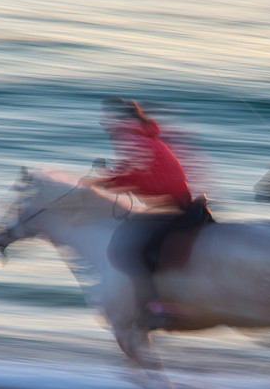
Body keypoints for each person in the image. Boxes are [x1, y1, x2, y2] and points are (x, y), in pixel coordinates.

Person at [90, 97, 210, 328]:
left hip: (174, 203)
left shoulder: (131, 137)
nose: (102, 121)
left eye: (106, 116)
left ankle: (154, 307)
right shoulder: (139, 135)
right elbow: (140, 172)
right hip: (176, 199)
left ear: (119, 118)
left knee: (129, 251)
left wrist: (114, 182)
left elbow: (149, 181)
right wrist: (113, 178)